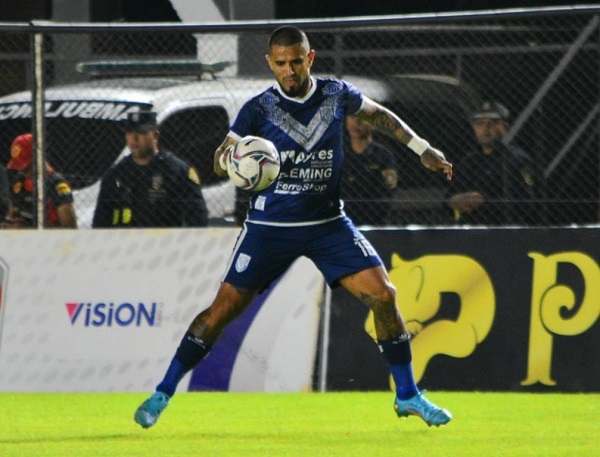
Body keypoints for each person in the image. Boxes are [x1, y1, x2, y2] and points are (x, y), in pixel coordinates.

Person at [134, 26, 453, 429]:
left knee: (384, 295)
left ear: (310, 58)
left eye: (296, 61)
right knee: (220, 313)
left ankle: (408, 395)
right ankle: (162, 393)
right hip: (270, 227)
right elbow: (218, 159)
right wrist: (235, 159)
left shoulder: (335, 94)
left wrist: (423, 149)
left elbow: (379, 116)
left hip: (327, 224)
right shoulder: (258, 108)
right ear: (271, 63)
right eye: (281, 63)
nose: (289, 70)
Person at [92, 111, 208, 228]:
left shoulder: (177, 172)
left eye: (141, 133)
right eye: (130, 132)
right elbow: (100, 223)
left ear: (155, 136)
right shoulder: (116, 175)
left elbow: (198, 219)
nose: (134, 138)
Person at [447, 101, 543, 225]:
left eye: (493, 123)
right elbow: (448, 198)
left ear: (505, 127)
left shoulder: (517, 159)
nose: (486, 129)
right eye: (480, 123)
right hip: (470, 231)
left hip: (506, 232)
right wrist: (454, 201)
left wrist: (484, 202)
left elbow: (527, 204)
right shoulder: (469, 161)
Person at [4, 133, 77, 228]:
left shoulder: (56, 183)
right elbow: (11, 215)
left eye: (26, 166)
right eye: (19, 166)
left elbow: (70, 227)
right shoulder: (19, 181)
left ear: (38, 157)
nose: (22, 170)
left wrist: (27, 229)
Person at [342, 114, 399, 225]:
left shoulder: (383, 156)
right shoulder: (338, 154)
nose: (357, 122)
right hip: (342, 219)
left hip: (375, 220)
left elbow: (387, 192)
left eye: (363, 117)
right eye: (352, 117)